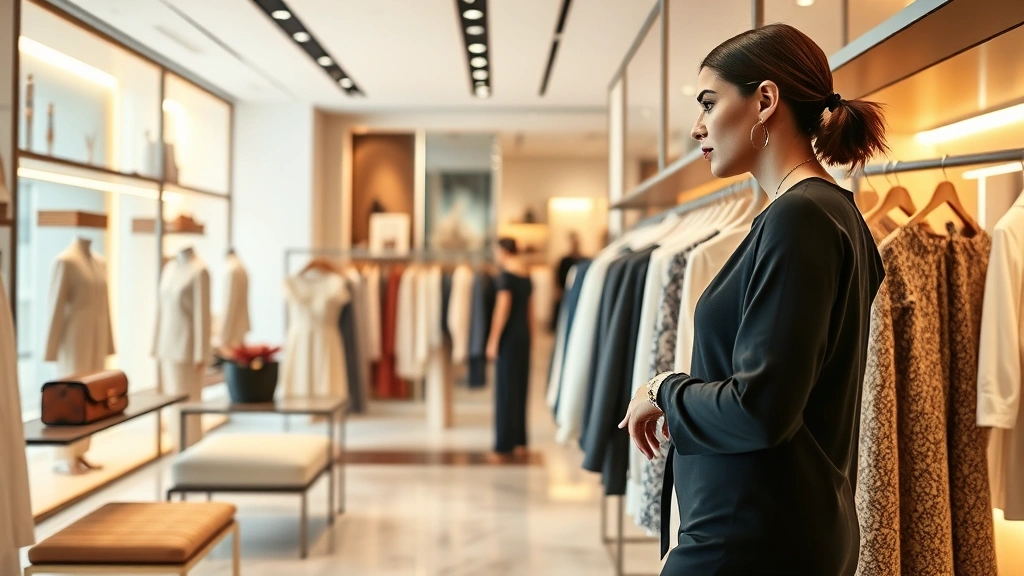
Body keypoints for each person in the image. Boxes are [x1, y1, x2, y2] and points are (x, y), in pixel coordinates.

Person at [618, 24, 887, 575]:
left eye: (709, 103)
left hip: (750, 538)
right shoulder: (818, 214)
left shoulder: (803, 217)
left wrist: (664, 389)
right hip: (769, 525)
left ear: (765, 100)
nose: (697, 127)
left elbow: (760, 409)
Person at [487, 237, 533, 457]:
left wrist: (493, 340)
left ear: (503, 251)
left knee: (505, 389)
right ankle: (520, 441)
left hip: (508, 337)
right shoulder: (526, 273)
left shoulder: (506, 275)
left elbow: (502, 308)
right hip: (522, 335)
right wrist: (530, 335)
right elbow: (529, 310)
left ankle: (504, 443)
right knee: (519, 388)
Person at [552, 232, 584, 331]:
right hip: (565, 290)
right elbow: (558, 275)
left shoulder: (583, 260)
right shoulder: (564, 260)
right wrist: (558, 289)